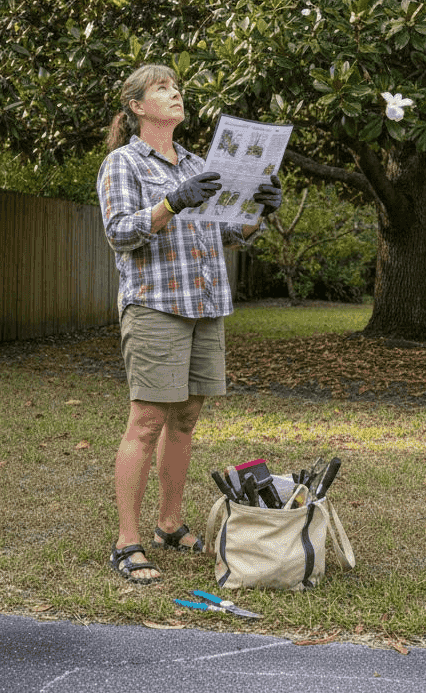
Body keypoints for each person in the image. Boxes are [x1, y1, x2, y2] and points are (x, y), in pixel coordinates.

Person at [97, 63, 282, 584]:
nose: (175, 94)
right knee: (147, 421)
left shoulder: (200, 162)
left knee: (185, 419)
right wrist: (172, 201)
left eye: (177, 88)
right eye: (162, 88)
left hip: (205, 306)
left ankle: (169, 525)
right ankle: (127, 542)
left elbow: (227, 233)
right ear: (136, 106)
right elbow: (119, 232)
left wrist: (258, 211)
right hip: (156, 306)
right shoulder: (123, 164)